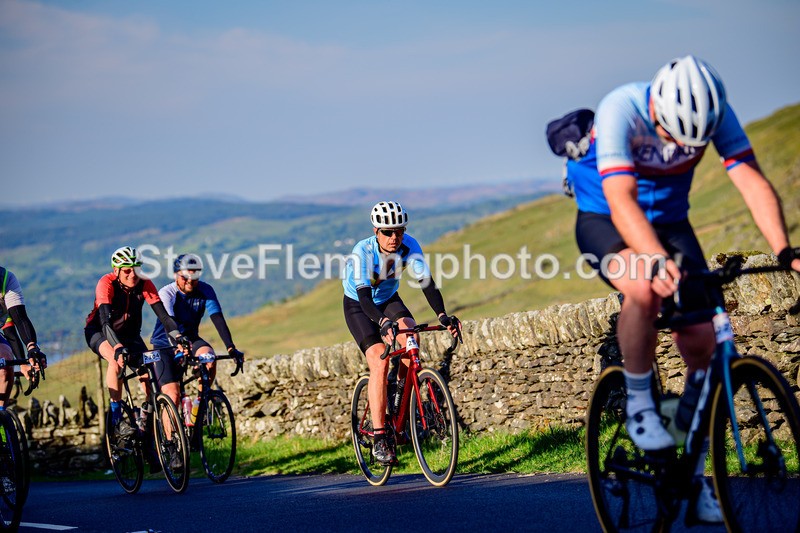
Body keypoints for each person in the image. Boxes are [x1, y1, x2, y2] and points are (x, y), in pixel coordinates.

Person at [553, 55, 800, 523]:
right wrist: (653, 258)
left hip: (670, 222)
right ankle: (641, 405)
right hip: (606, 218)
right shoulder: (621, 108)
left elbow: (750, 179)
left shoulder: (717, 112)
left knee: (703, 341)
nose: (678, 150)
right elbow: (622, 199)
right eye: (671, 136)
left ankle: (695, 473)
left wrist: (785, 251)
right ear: (657, 110)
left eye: (692, 145)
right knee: (644, 289)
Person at [342, 201, 460, 465]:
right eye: (388, 232)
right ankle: (380, 437)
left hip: (388, 299)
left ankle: (398, 402)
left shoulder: (410, 246)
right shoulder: (362, 251)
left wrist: (442, 315)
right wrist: (382, 322)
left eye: (399, 231)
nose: (394, 237)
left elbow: (427, 284)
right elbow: (364, 298)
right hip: (359, 305)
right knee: (379, 360)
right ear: (376, 231)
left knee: (412, 337)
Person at [84, 246, 189, 441]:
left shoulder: (144, 283)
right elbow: (105, 322)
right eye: (127, 270)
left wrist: (178, 336)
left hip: (131, 337)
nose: (132, 275)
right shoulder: (106, 283)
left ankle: (145, 422)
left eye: (136, 269)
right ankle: (117, 419)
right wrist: (117, 347)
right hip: (100, 332)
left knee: (149, 376)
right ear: (116, 270)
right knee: (116, 361)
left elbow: (164, 317)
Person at [150, 253, 244, 424]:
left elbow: (217, 318)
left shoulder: (205, 290)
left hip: (191, 339)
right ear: (176, 275)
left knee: (209, 359)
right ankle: (171, 440)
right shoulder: (167, 293)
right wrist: (178, 344)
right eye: (185, 277)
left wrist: (231, 347)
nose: (190, 281)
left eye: (194, 277)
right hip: (164, 344)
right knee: (173, 395)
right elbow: (169, 323)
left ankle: (199, 408)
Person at [0, 266, 47, 406]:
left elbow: (18, 320)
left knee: (6, 358)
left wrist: (31, 350)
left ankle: (1, 414)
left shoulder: (6, 279)